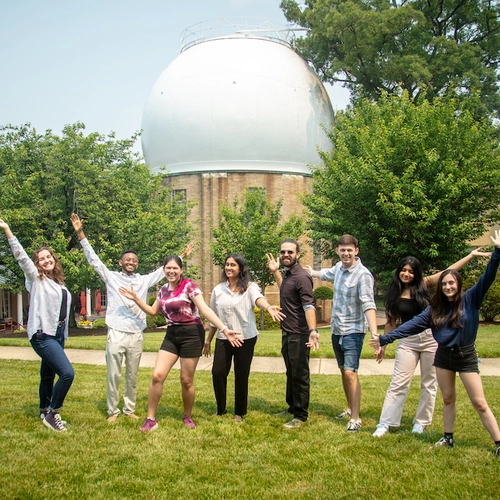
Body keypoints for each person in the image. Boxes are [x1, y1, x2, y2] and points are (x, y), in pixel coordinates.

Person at [370, 232, 500, 458]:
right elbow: (403, 325)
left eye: (452, 283)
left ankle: (495, 441)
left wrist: (490, 254)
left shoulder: (461, 297)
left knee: (460, 395)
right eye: (445, 284)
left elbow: (475, 275)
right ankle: (433, 434)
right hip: (428, 350)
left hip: (449, 347)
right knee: (426, 391)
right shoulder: (422, 305)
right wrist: (383, 340)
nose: (448, 286)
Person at [70, 213, 192, 423]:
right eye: (127, 260)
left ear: (137, 264)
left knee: (132, 375)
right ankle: (112, 412)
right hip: (116, 331)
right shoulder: (112, 277)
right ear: (121, 262)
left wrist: (182, 256)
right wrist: (80, 233)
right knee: (114, 374)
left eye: (134, 260)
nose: (131, 262)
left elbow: (167, 270)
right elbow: (94, 260)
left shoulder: (144, 280)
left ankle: (129, 409)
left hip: (136, 332)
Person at [119, 255, 241, 431]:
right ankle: (150, 419)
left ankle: (187, 416)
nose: (171, 271)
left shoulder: (189, 286)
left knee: (186, 380)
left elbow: (204, 309)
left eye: (175, 268)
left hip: (192, 333)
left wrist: (224, 329)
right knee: (157, 376)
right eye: (168, 268)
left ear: (181, 270)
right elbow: (153, 312)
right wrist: (136, 299)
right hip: (172, 333)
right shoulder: (163, 290)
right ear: (164, 270)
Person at [0, 218, 74, 432]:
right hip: (43, 335)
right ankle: (53, 413)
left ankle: (43, 410)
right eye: (41, 259)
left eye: (48, 256)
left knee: (48, 375)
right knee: (67, 373)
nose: (46, 260)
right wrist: (7, 229)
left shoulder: (58, 283)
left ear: (54, 259)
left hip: (57, 334)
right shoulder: (36, 279)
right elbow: (21, 257)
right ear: (37, 264)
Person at [306, 234, 377, 432]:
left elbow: (369, 304)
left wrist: (374, 332)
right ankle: (349, 408)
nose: (346, 253)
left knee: (350, 372)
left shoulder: (363, 275)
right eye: (342, 250)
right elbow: (327, 273)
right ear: (337, 251)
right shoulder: (338, 268)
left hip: (353, 331)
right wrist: (312, 272)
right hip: (337, 330)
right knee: (343, 372)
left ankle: (356, 418)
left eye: (349, 250)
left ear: (356, 251)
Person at [203, 254, 284, 422]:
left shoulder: (250, 287)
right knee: (217, 372)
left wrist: (268, 307)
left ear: (240, 268)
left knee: (241, 374)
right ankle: (221, 409)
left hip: (245, 337)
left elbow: (257, 299)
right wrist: (208, 339)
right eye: (227, 264)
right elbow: (213, 316)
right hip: (224, 337)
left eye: (233, 265)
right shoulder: (218, 290)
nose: (229, 267)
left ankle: (239, 412)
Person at [267, 239, 319, 429]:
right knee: (291, 373)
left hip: (299, 333)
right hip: (288, 332)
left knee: (299, 375)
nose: (285, 255)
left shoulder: (302, 276)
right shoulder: (288, 275)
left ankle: (301, 415)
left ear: (298, 254)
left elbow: (308, 305)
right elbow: (285, 290)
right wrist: (275, 272)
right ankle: (292, 407)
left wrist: (312, 330)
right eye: (283, 252)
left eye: (290, 252)